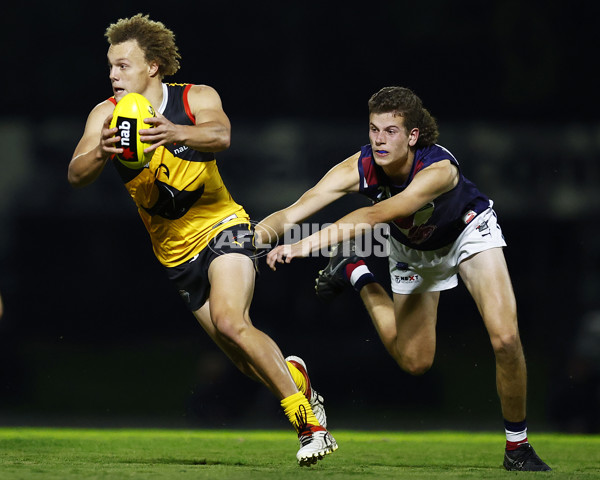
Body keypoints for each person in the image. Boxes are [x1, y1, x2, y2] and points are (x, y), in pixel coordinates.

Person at [67, 13, 337, 466]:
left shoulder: (194, 97)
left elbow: (221, 134)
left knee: (233, 321)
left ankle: (309, 425)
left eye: (123, 65)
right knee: (245, 363)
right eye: (110, 66)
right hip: (175, 254)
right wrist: (102, 149)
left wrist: (174, 132)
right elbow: (76, 174)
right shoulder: (106, 115)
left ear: (152, 66)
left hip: (224, 228)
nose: (113, 75)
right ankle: (297, 379)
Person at [257, 86, 550, 471]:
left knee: (506, 338)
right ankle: (355, 270)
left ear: (412, 136)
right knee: (415, 362)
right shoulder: (356, 167)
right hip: (413, 251)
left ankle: (518, 448)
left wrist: (302, 246)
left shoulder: (438, 170)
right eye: (374, 130)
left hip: (467, 232)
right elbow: (296, 210)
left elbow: (372, 217)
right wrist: (249, 238)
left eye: (390, 131)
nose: (379, 140)